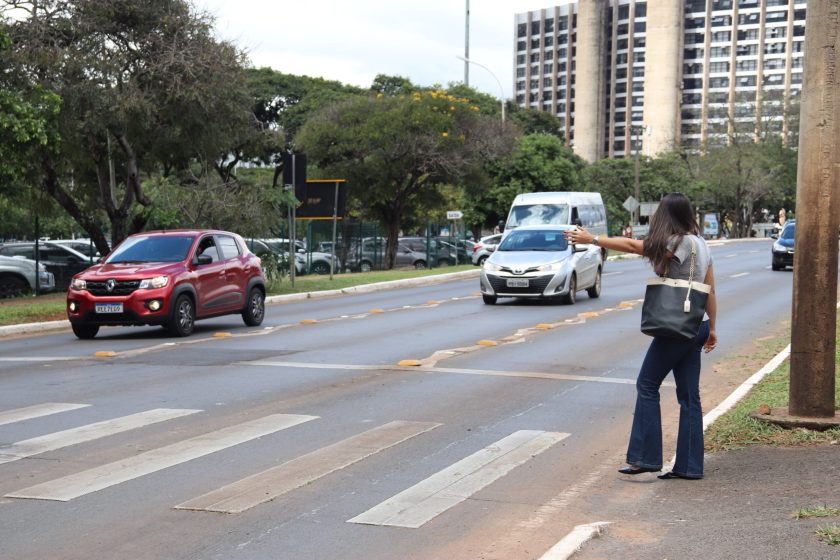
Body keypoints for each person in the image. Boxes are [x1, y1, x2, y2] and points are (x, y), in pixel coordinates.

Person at [566, 193, 717, 480]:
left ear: (667, 214)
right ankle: (689, 466)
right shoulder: (702, 244)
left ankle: (646, 458)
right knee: (689, 396)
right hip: (697, 325)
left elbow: (638, 246)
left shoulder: (679, 242)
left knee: (647, 385)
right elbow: (711, 289)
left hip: (678, 328)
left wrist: (594, 239)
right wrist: (713, 328)